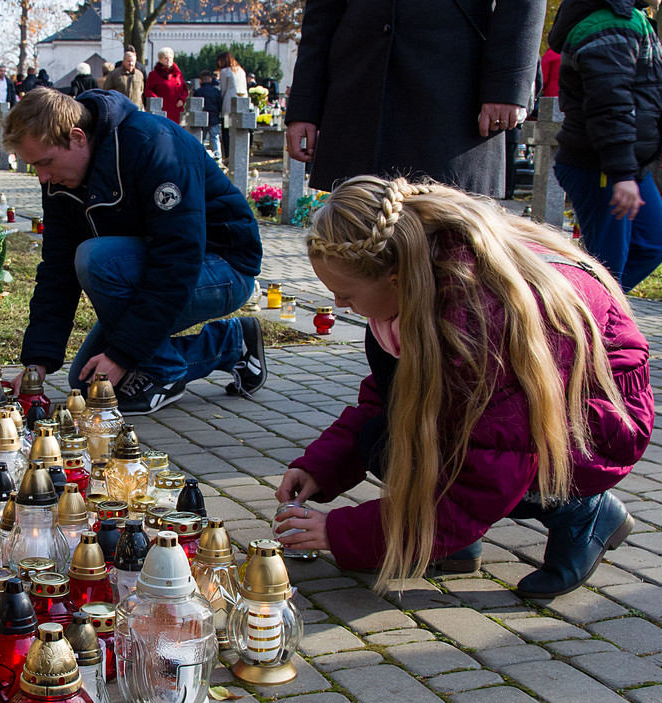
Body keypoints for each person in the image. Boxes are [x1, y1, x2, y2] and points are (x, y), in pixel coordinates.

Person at [275, 176, 653, 598]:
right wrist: (320, 467)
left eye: (344, 296)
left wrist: (342, 532)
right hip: (514, 412)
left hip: (595, 427)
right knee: (381, 437)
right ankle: (451, 542)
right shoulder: (412, 297)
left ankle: (583, 512)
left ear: (395, 278)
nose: (339, 307)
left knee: (458, 452)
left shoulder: (481, 328)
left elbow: (487, 478)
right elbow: (387, 396)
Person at [2, 88, 266, 414]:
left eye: (45, 162)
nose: (42, 176)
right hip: (157, 269)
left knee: (95, 259)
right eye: (34, 167)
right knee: (86, 383)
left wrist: (122, 355)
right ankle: (230, 344)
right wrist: (36, 364)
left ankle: (163, 372)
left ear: (78, 136)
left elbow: (178, 258)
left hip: (221, 265)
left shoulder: (153, 144)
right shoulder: (58, 180)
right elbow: (57, 270)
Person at [284, 0, 544, 197]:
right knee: (356, 252)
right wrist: (305, 107)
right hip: (359, 88)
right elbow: (321, 14)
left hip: (455, 93)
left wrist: (507, 85)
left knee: (447, 252)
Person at [550, 0, 662, 293]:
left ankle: (587, 310)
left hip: (627, 165)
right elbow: (610, 105)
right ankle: (579, 321)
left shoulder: (632, 17)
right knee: (607, 268)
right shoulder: (610, 23)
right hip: (602, 165)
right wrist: (621, 174)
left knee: (652, 243)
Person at [217, 51, 248, 159]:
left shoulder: (225, 71)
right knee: (240, 128)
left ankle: (228, 155)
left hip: (229, 101)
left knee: (226, 129)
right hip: (243, 101)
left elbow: (223, 89)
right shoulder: (241, 70)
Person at [145, 47, 187, 123]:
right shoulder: (154, 74)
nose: (169, 60)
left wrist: (182, 99)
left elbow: (184, 89)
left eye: (170, 58)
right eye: (166, 58)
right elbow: (148, 90)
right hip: (162, 108)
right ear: (160, 60)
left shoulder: (178, 73)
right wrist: (157, 101)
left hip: (177, 109)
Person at [195, 70, 222, 159]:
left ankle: (200, 155)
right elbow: (220, 104)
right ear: (210, 79)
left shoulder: (198, 92)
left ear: (201, 80)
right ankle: (218, 155)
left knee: (202, 138)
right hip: (214, 118)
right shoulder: (216, 91)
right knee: (215, 137)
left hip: (202, 119)